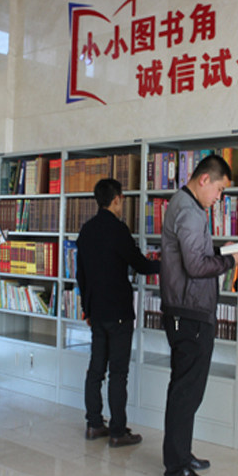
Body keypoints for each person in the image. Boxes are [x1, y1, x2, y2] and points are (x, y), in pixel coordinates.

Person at [159, 154, 238, 476]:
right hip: (189, 314)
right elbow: (196, 266)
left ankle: (181, 455)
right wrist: (231, 261)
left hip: (188, 311)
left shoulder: (187, 205)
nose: (219, 197)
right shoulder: (189, 210)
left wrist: (219, 251)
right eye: (219, 189)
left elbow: (195, 255)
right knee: (186, 391)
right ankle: (176, 467)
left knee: (186, 389)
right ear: (204, 180)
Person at [77, 178, 160, 447]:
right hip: (119, 312)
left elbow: (81, 275)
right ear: (116, 199)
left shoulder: (86, 230)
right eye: (122, 199)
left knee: (95, 370)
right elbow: (141, 266)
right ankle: (117, 431)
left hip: (96, 312)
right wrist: (167, 264)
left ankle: (93, 424)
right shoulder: (118, 229)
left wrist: (87, 309)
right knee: (118, 373)